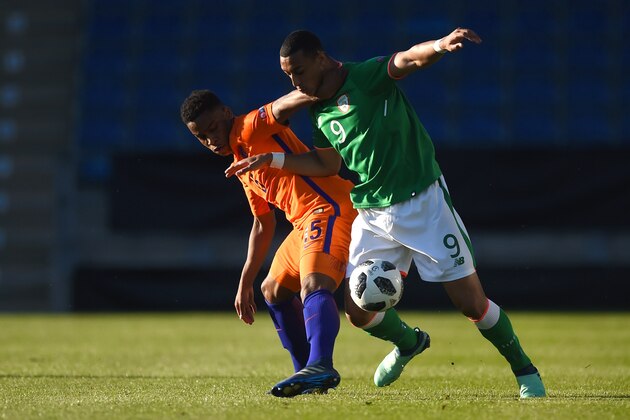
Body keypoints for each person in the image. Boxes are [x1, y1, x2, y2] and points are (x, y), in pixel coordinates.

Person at [225, 28, 547, 398]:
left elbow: (408, 58)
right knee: (357, 311)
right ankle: (409, 342)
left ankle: (525, 370)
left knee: (471, 303)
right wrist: (274, 160)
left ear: (320, 58)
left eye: (298, 70)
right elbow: (326, 164)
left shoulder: (367, 76)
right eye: (287, 76)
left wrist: (440, 46)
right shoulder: (319, 111)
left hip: (423, 202)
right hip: (373, 213)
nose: (295, 81)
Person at [180, 89, 357, 397]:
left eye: (213, 130)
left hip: (329, 208)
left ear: (225, 113)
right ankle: (306, 376)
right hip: (303, 223)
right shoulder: (240, 163)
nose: (211, 140)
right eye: (202, 137)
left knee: (314, 284)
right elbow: (263, 223)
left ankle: (320, 365)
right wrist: (245, 281)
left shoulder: (251, 126)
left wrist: (315, 91)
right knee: (272, 290)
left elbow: (282, 106)